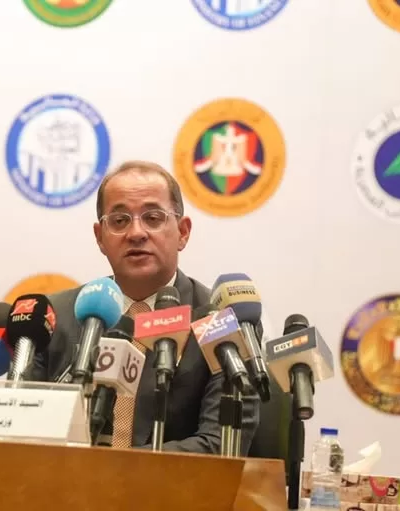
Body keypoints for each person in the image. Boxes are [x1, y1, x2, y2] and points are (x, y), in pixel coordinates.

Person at [29, 160, 260, 454]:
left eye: (152, 218)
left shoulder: (220, 321)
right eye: (120, 221)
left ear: (183, 232)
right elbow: (22, 429)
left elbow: (222, 444)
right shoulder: (55, 315)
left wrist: (117, 469)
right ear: (100, 237)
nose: (136, 233)